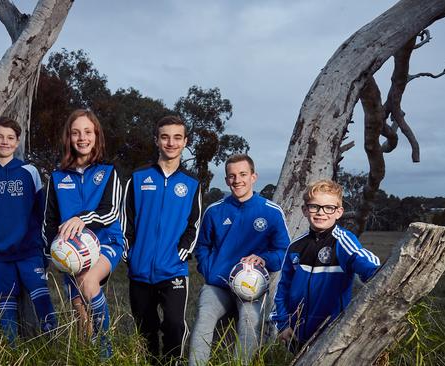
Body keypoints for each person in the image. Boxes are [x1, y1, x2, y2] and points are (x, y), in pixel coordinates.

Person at [189, 154, 291, 365]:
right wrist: (210, 271)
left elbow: (283, 251)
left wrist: (264, 259)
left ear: (254, 177)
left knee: (250, 322)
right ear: (226, 180)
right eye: (232, 176)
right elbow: (202, 247)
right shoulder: (214, 211)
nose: (237, 180)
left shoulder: (271, 212)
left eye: (243, 174)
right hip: (218, 285)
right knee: (203, 319)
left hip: (251, 287)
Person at [0, 117, 57, 344]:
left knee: (43, 305)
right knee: (6, 311)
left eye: (10, 138)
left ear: (17, 142)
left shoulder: (29, 172)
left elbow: (42, 215)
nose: (4, 142)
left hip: (30, 253)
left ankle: (53, 350)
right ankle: (11, 353)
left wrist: (44, 252)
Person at [43, 108, 124, 357]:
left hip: (106, 242)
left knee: (89, 284)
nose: (82, 138)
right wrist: (51, 255)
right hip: (71, 252)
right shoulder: (56, 177)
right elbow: (49, 221)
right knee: (81, 316)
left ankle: (106, 352)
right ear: (69, 137)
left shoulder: (109, 172)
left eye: (88, 132)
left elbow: (111, 211)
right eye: (76, 132)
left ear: (96, 136)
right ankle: (87, 355)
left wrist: (82, 218)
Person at [122, 115, 202, 364]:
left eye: (177, 137)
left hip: (173, 270)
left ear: (185, 141)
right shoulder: (138, 178)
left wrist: (181, 252)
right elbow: (127, 220)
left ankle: (172, 362)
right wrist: (130, 252)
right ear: (156, 140)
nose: (171, 142)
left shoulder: (192, 184)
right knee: (145, 327)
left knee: (175, 324)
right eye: (165, 137)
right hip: (140, 269)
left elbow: (194, 224)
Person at [270, 179, 381, 352]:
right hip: (295, 333)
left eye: (329, 208)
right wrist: (283, 324)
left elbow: (363, 260)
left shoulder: (343, 241)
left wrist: (376, 271)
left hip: (330, 335)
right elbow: (282, 288)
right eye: (314, 207)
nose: (321, 212)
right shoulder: (295, 247)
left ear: (339, 212)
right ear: (305, 210)